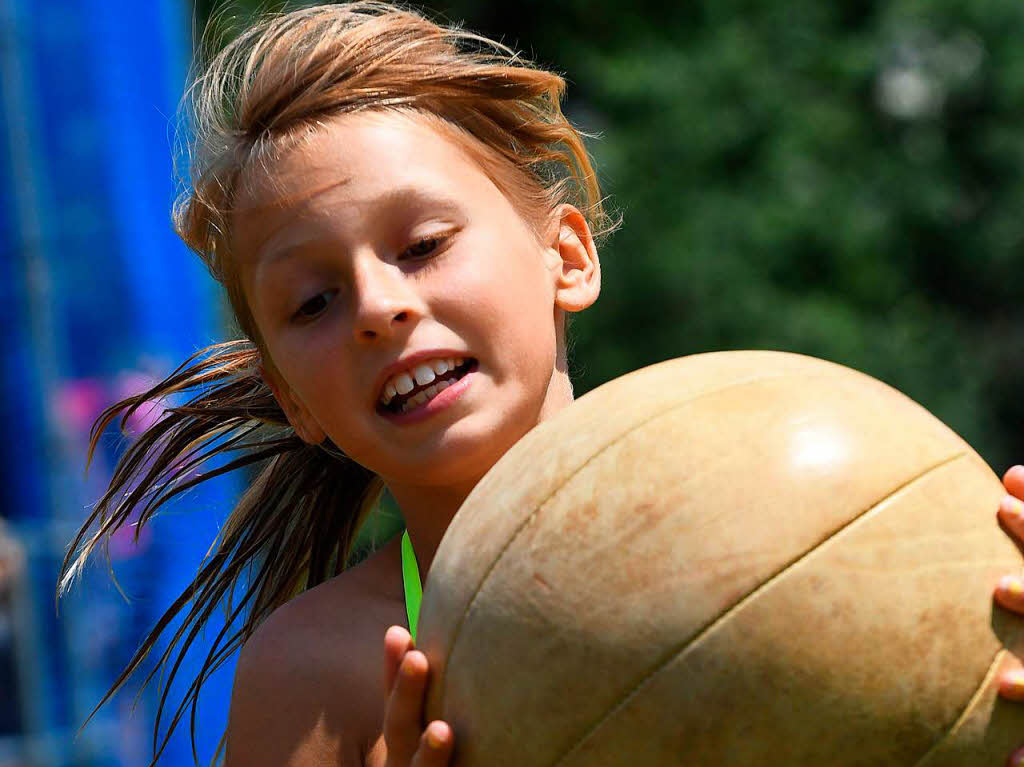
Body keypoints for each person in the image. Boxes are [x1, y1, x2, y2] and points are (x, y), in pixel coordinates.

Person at [56, 3, 1024, 766]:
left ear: (564, 256)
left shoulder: (822, 506)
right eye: (311, 302)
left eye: (424, 244)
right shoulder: (316, 674)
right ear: (294, 397)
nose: (376, 306)